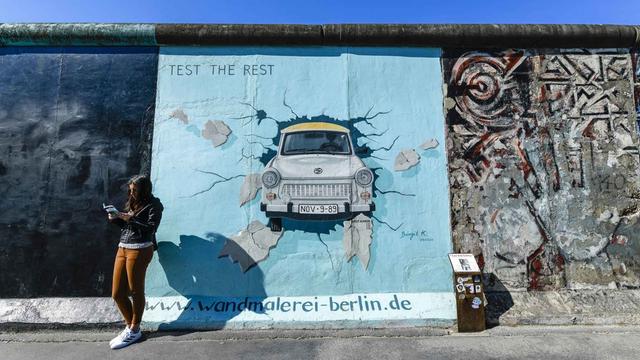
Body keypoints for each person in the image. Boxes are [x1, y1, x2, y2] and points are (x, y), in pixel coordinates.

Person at [107, 174, 163, 350]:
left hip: (140, 249)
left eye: (135, 190)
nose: (132, 193)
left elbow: (150, 229)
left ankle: (134, 328)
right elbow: (127, 226)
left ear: (144, 189)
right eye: (130, 190)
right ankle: (131, 327)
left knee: (135, 290)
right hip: (123, 247)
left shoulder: (154, 205)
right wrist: (116, 219)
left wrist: (127, 217)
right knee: (117, 293)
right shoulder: (133, 201)